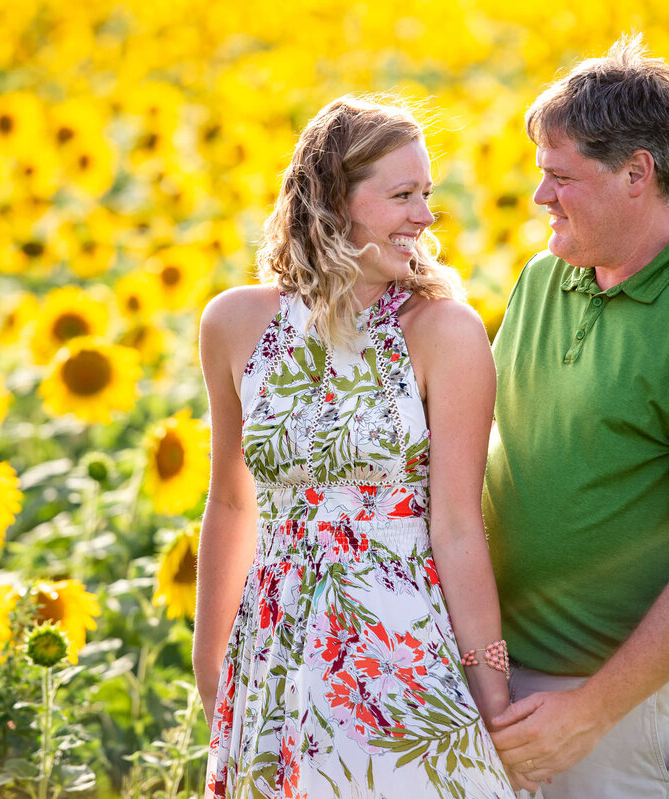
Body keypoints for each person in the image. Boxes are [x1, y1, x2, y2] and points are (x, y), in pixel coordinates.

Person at [483, 35, 669, 798]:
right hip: (499, 689)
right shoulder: (543, 280)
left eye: (559, 178)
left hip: (625, 710)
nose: (539, 200)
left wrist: (589, 712)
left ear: (636, 173)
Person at [194, 95, 517, 798]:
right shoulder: (233, 323)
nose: (425, 216)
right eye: (403, 194)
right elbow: (229, 501)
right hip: (272, 656)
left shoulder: (445, 333)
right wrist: (210, 656)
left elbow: (459, 526)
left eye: (426, 194)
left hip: (401, 668)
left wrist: (493, 694)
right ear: (334, 200)